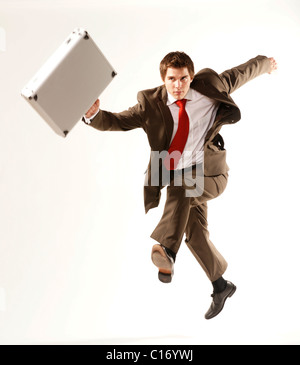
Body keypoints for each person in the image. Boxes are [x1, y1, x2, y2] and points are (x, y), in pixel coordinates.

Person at [83, 53, 277, 319]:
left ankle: (167, 250)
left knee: (182, 185)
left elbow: (240, 73)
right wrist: (93, 116)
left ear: (192, 77)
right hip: (181, 180)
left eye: (183, 78)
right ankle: (221, 286)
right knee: (195, 233)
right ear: (163, 79)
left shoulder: (210, 87)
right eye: (171, 79)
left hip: (211, 175)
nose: (178, 85)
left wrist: (266, 64)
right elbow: (118, 121)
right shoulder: (150, 104)